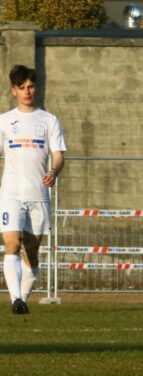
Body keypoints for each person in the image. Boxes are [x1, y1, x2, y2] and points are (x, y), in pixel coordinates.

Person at [0, 64, 66, 314]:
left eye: (31, 86)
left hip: (38, 195)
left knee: (31, 252)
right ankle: (16, 298)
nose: (28, 91)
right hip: (11, 194)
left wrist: (53, 171)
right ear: (13, 90)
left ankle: (22, 298)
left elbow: (58, 156)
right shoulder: (5, 121)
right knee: (11, 243)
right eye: (22, 87)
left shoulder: (49, 120)